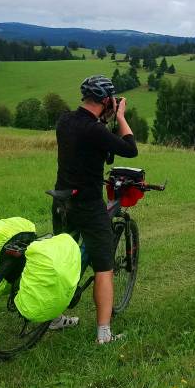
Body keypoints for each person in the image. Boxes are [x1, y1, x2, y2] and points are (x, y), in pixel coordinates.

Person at [51, 75, 138, 344]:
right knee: (104, 268)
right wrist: (121, 117)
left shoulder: (65, 120)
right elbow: (130, 150)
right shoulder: (96, 130)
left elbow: (88, 146)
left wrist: (104, 118)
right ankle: (104, 333)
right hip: (87, 204)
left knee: (60, 260)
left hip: (60, 199)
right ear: (105, 100)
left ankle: (53, 317)